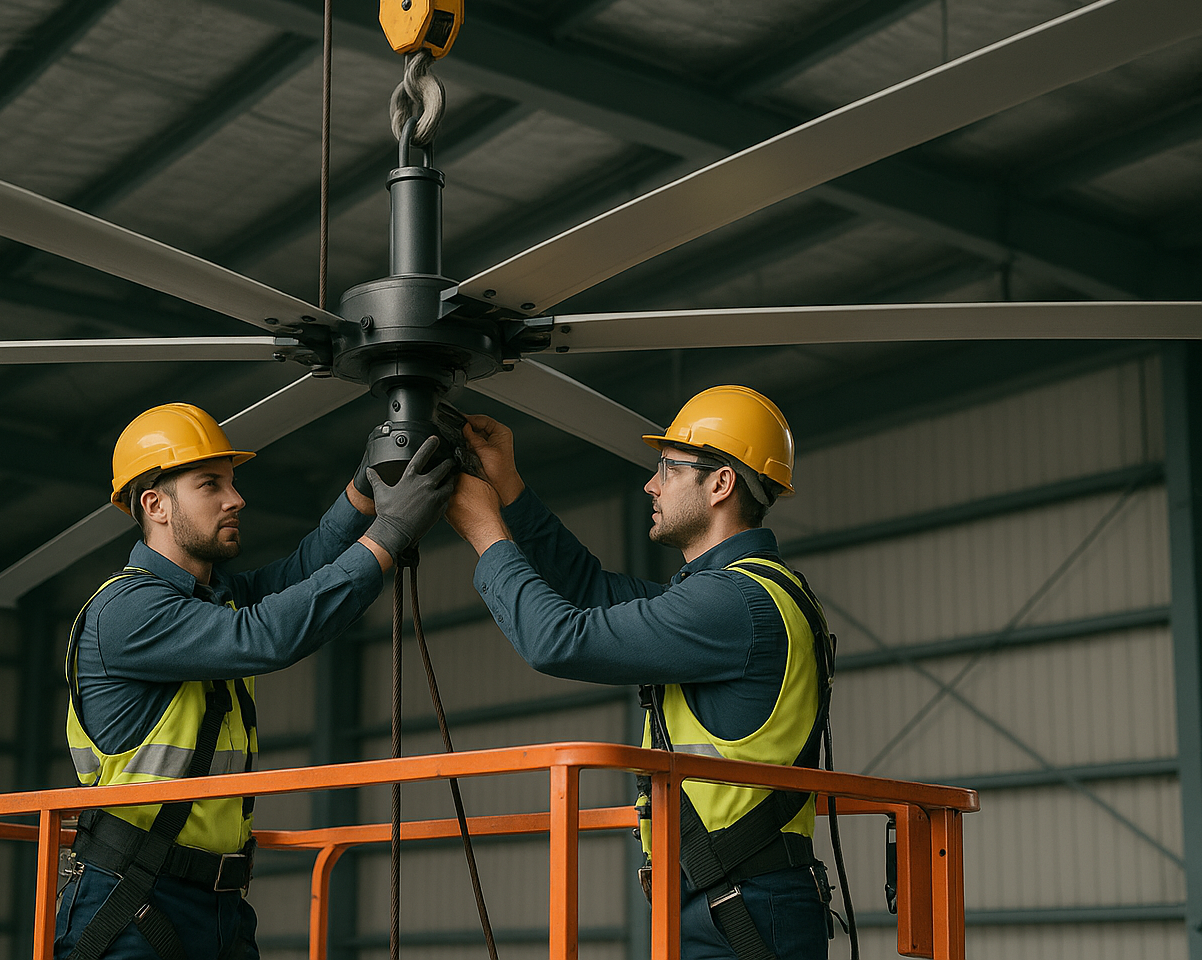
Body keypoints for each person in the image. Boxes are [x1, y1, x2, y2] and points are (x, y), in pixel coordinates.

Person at [444, 386, 835, 960]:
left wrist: (485, 534)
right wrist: (508, 491)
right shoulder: (743, 596)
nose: (651, 485)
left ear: (720, 483)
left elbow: (558, 641)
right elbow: (592, 592)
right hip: (734, 898)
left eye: (668, 469)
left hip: (742, 907)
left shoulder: (733, 606)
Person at [56, 403, 454, 960]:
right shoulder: (126, 611)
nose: (236, 498)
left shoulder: (208, 599)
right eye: (210, 484)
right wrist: (389, 533)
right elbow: (267, 635)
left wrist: (362, 494)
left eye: (232, 482)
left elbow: (298, 578)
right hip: (133, 898)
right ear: (156, 505)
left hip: (217, 902)